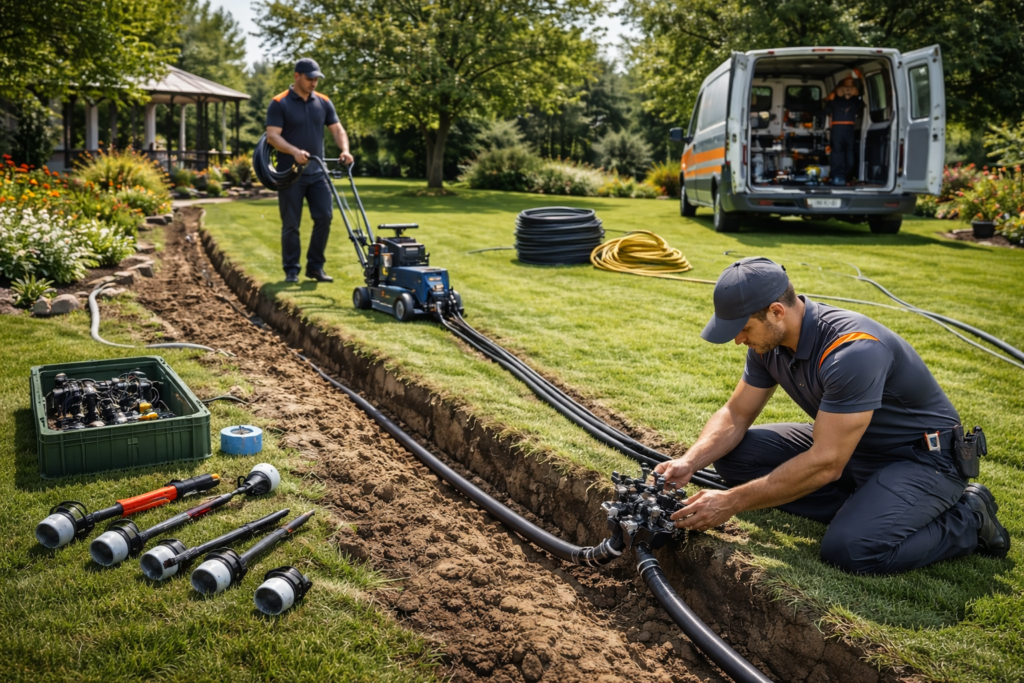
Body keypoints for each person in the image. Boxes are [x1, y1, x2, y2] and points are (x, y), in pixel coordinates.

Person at [655, 257, 1010, 575]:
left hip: (921, 460)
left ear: (777, 312)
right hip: (853, 446)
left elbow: (826, 462)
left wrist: (732, 502)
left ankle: (969, 518)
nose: (737, 340)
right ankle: (866, 507)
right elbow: (735, 413)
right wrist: (690, 461)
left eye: (743, 329)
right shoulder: (768, 345)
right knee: (734, 458)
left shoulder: (853, 351)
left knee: (852, 550)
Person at [266, 57, 354, 283]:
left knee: (325, 217)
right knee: (291, 224)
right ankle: (291, 270)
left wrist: (344, 150)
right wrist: (294, 152)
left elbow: (337, 129)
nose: (314, 83)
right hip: (290, 173)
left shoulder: (323, 102)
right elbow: (273, 136)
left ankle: (315, 267)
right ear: (297, 76)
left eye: (317, 79)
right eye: (309, 79)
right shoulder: (279, 102)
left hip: (318, 172)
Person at [823, 76, 863, 185]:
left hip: (837, 127)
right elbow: (861, 109)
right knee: (849, 152)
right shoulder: (856, 101)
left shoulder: (833, 100)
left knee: (837, 152)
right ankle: (848, 177)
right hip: (850, 127)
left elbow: (826, 110)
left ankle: (837, 176)